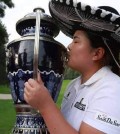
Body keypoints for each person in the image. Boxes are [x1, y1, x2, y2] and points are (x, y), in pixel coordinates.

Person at [24, 0, 120, 134]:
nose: (69, 46)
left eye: (76, 41)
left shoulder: (113, 88)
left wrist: (45, 105)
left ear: (97, 53)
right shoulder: (73, 85)